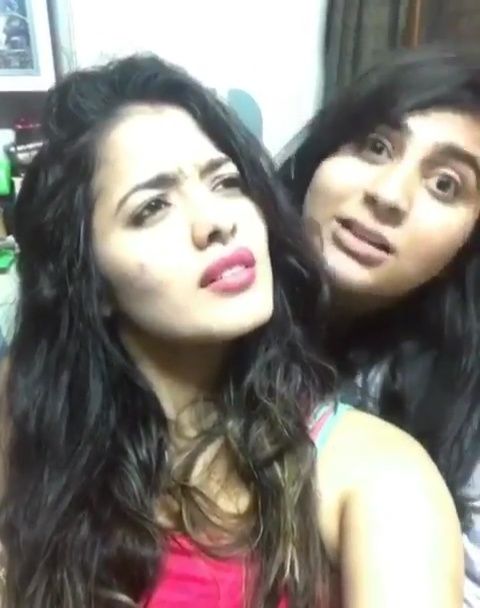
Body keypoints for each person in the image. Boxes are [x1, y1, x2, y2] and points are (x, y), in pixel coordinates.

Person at [0, 54, 462, 608]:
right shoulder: (28, 418)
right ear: (90, 280)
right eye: (152, 207)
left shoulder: (378, 478)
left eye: (226, 182)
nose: (216, 222)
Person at [280, 44, 480, 607]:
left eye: (446, 185)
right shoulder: (212, 303)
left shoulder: (463, 405)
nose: (389, 196)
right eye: (376, 146)